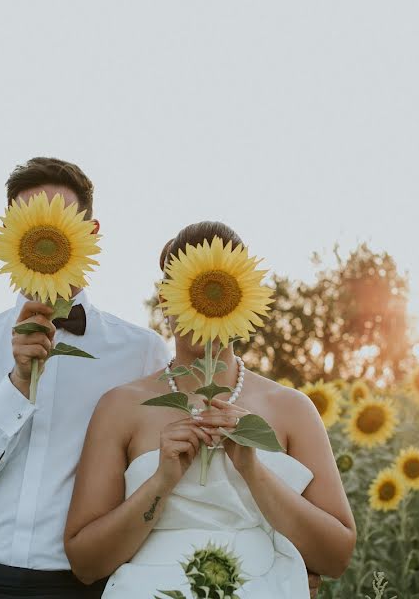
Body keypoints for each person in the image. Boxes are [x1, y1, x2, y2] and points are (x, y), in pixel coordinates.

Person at [64, 221, 356, 598]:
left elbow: (335, 558)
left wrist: (252, 470)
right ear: (166, 301)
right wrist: (161, 481)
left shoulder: (291, 409)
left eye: (222, 290)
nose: (209, 303)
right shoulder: (122, 407)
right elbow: (87, 564)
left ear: (243, 299)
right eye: (191, 290)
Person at [0, 157, 171, 598]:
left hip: (87, 585)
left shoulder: (143, 352)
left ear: (91, 233)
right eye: (27, 220)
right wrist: (17, 383)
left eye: (59, 219)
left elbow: (160, 486)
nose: (43, 230)